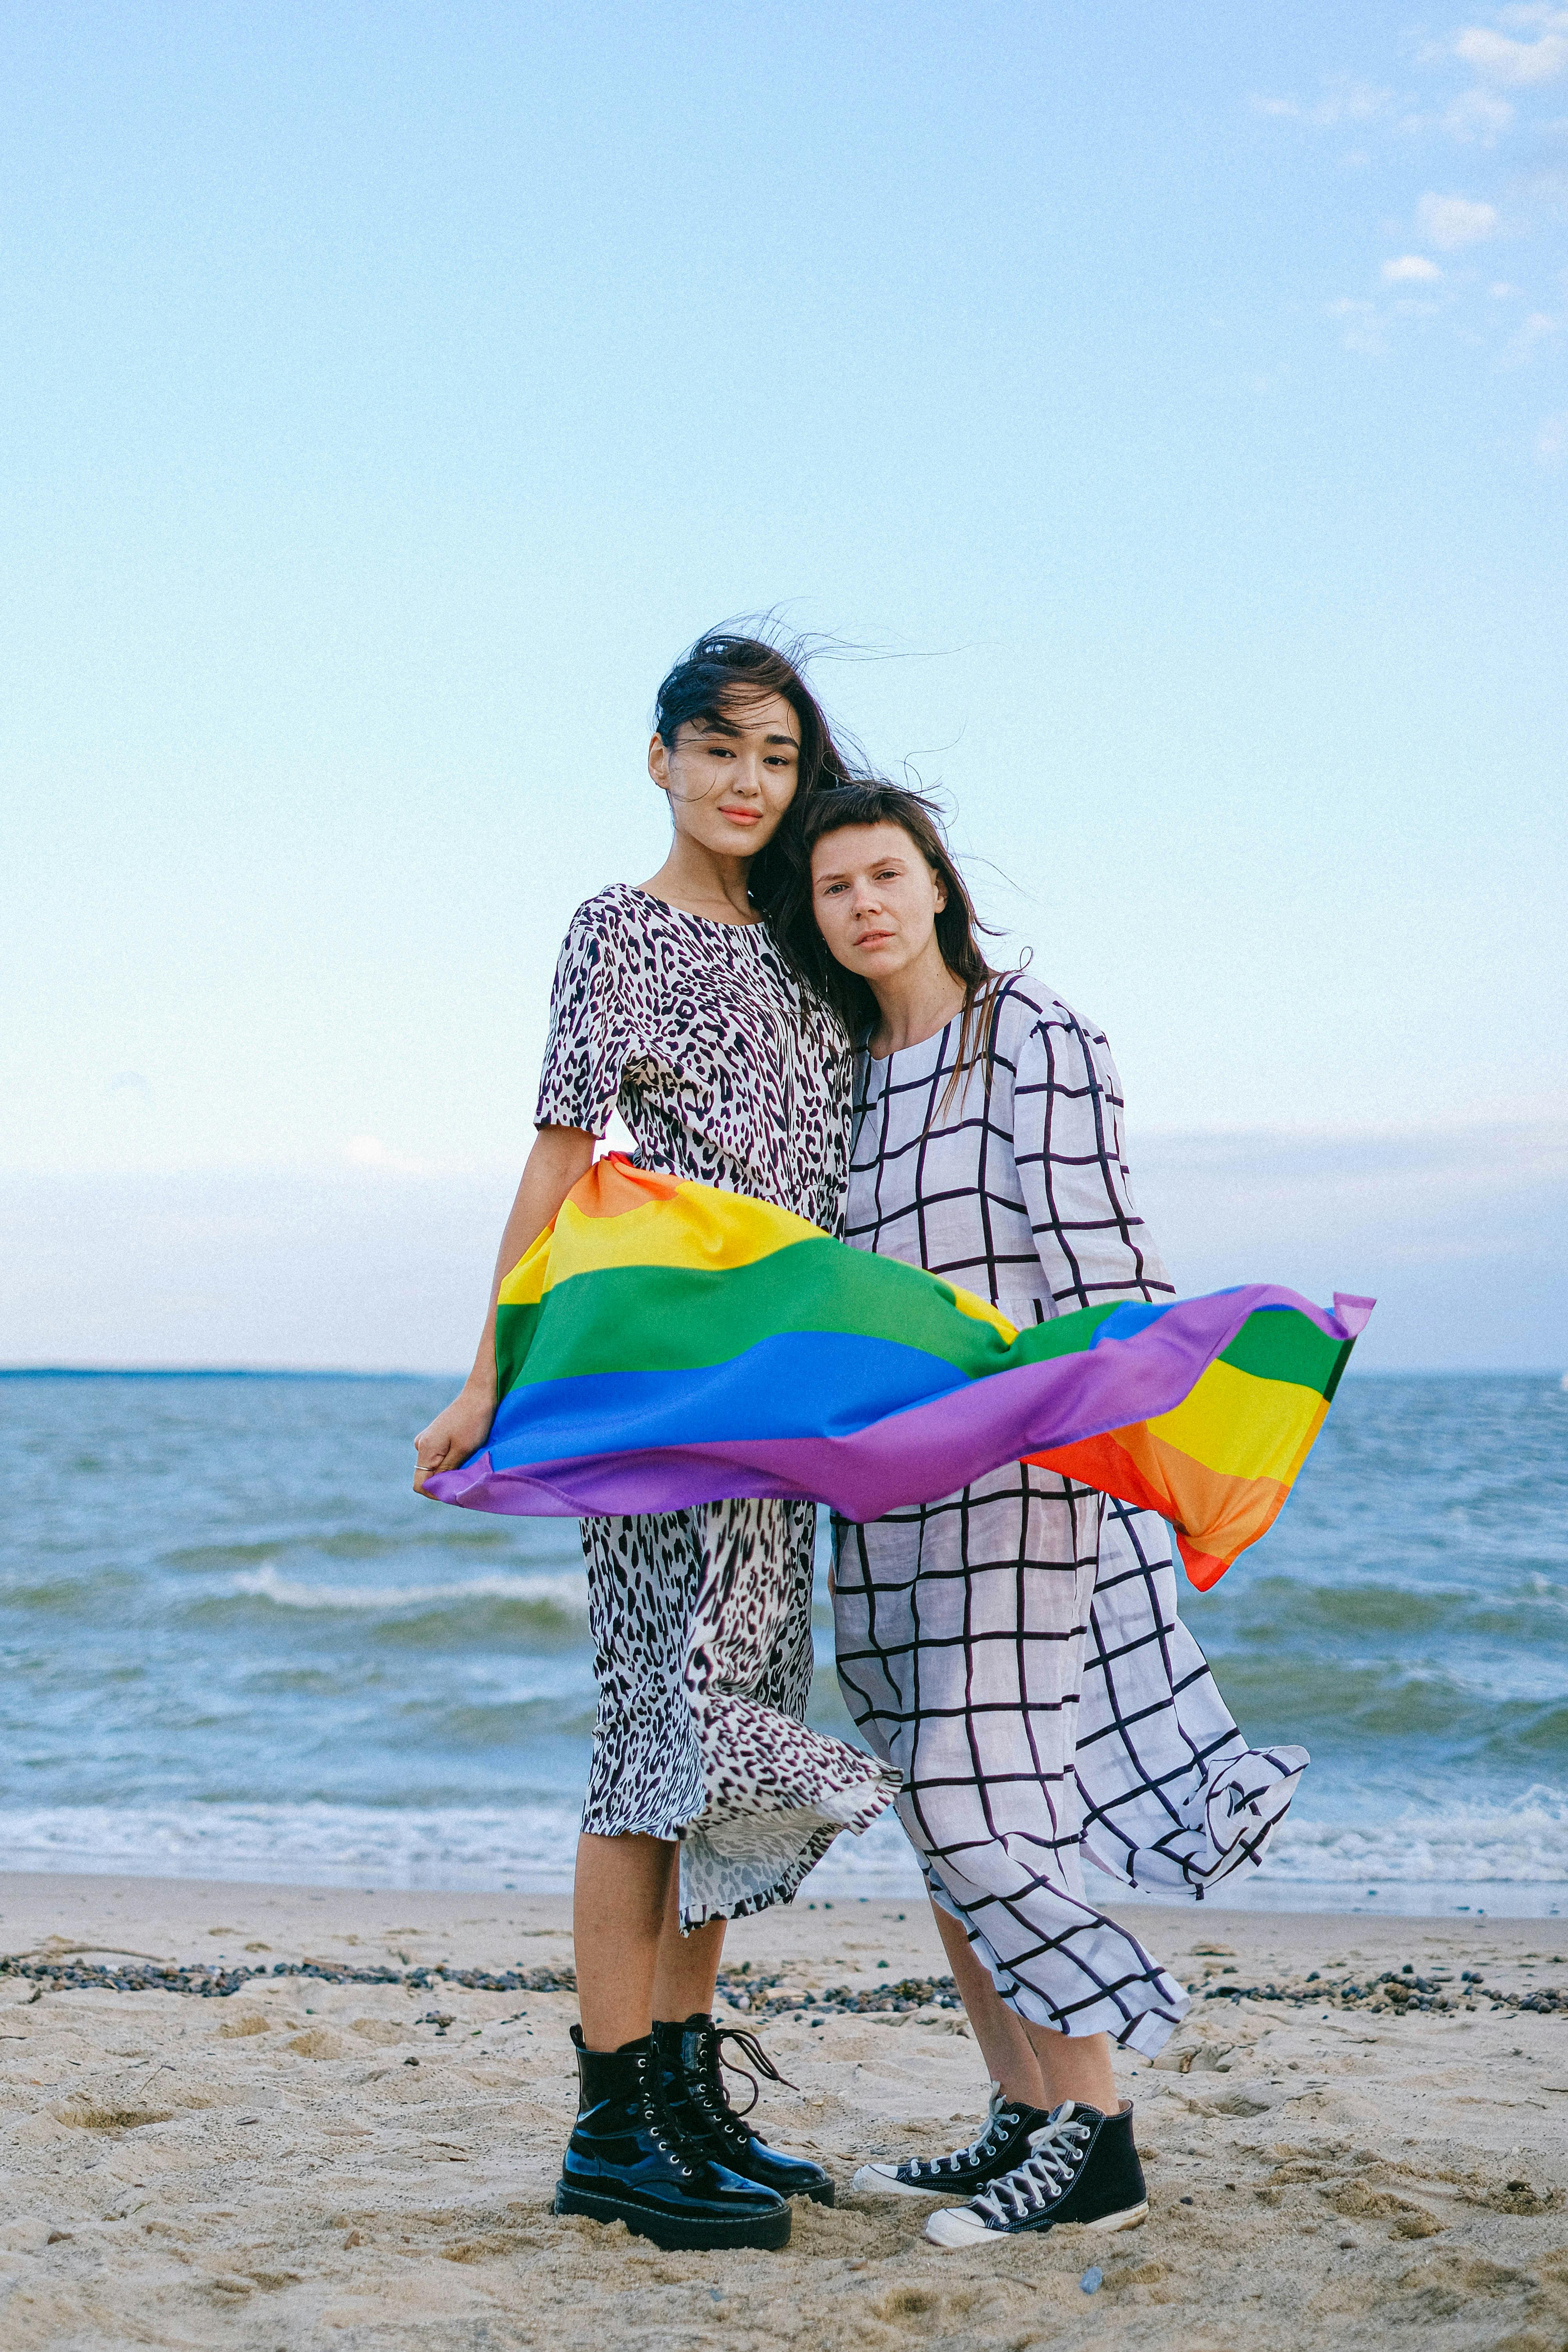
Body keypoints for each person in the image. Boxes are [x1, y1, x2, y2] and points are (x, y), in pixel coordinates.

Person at [414, 634, 899, 2254]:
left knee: (738, 1749)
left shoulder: (811, 939)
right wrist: (487, 1372)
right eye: (721, 751)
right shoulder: (618, 932)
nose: (749, 781)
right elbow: (556, 1165)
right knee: (655, 1747)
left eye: (776, 755)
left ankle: (687, 2096)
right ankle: (609, 2123)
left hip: (792, 1407)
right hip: (668, 1399)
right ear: (660, 759)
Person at [782, 781, 1305, 2252]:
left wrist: (1085, 1425)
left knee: (982, 1793)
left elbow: (1103, 1268)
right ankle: (1019, 2113)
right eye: (835, 888)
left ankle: (1099, 2138)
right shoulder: (840, 1075)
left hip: (1025, 1474)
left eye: (886, 873)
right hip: (885, 1497)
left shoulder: (1032, 1035)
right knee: (929, 1810)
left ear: (939, 883)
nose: (866, 904)